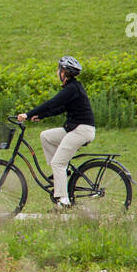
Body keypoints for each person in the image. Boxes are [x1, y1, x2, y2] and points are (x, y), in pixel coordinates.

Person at [17, 55, 95, 208]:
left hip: (81, 131)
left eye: (58, 69)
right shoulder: (73, 88)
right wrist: (42, 115)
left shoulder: (72, 88)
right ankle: (62, 174)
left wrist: (28, 114)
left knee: (58, 163)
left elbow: (52, 102)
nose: (57, 72)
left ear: (64, 72)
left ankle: (64, 201)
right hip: (76, 129)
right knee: (46, 136)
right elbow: (61, 108)